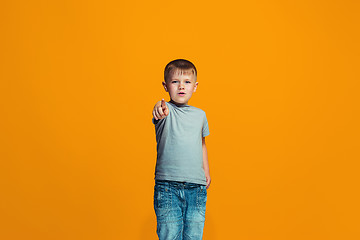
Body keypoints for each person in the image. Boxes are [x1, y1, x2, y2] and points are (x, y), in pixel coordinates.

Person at [151, 59, 211, 240]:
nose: (181, 87)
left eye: (187, 82)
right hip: (168, 187)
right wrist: (158, 109)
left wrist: (206, 172)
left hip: (197, 187)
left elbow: (201, 144)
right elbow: (158, 110)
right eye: (175, 82)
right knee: (169, 235)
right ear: (165, 85)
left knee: (194, 235)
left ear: (195, 86)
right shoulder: (165, 109)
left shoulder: (200, 115)